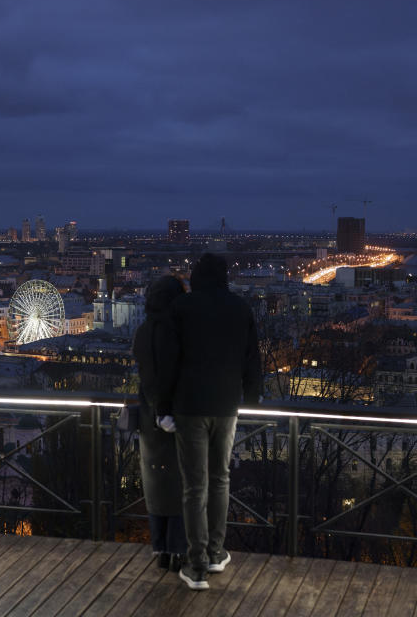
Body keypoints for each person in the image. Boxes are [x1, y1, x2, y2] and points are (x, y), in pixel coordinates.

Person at [155, 253, 262, 591]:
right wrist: (252, 398)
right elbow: (252, 360)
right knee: (220, 480)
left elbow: (168, 362)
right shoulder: (240, 309)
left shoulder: (182, 309)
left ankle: (196, 565)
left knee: (194, 486)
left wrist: (163, 407)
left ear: (196, 277)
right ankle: (215, 553)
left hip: (189, 408)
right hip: (227, 406)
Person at [131, 275, 187, 571]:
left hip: (148, 423)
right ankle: (179, 550)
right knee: (182, 487)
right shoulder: (179, 332)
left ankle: (161, 549)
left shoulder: (143, 332)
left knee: (156, 489)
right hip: (177, 419)